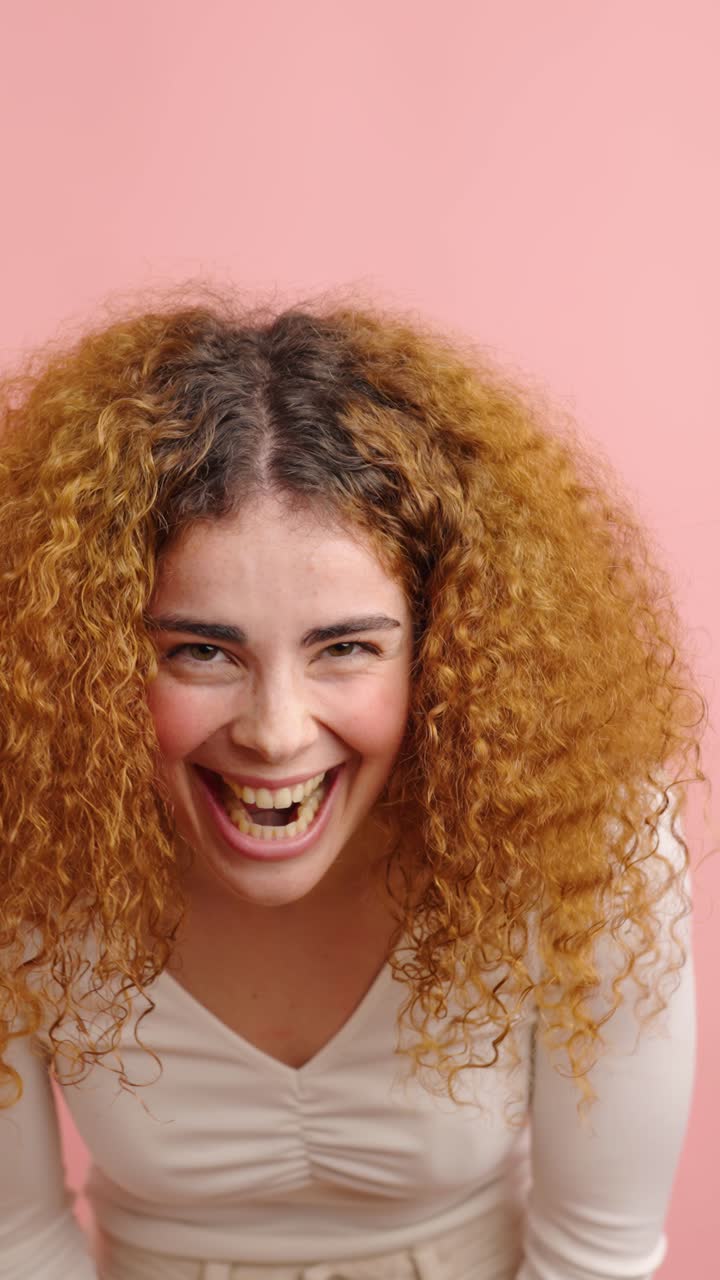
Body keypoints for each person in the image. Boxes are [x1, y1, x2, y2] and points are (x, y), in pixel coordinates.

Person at [0, 297, 704, 1280]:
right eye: (201, 650)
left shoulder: (583, 842)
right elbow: (15, 1237)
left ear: (442, 650)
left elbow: (598, 1252)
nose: (276, 731)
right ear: (90, 655)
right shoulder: (24, 844)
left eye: (345, 648)